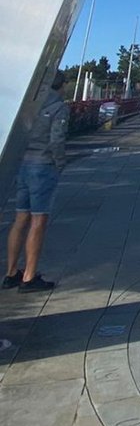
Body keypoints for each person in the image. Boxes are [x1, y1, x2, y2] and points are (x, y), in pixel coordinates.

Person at [4, 70, 69, 293]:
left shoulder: (29, 105)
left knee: (20, 218)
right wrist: (60, 163)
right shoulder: (59, 107)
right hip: (43, 166)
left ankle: (11, 273)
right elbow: (57, 140)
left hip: (23, 165)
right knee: (38, 221)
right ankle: (30, 276)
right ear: (62, 85)